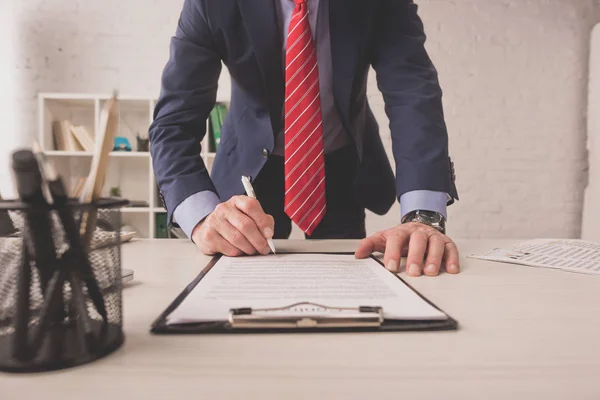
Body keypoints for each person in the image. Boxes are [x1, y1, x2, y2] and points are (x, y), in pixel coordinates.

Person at [149, 0, 460, 277]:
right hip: (249, 176)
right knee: (245, 286)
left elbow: (412, 94)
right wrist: (201, 217)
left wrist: (423, 216)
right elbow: (174, 121)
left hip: (340, 166)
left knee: (349, 281)